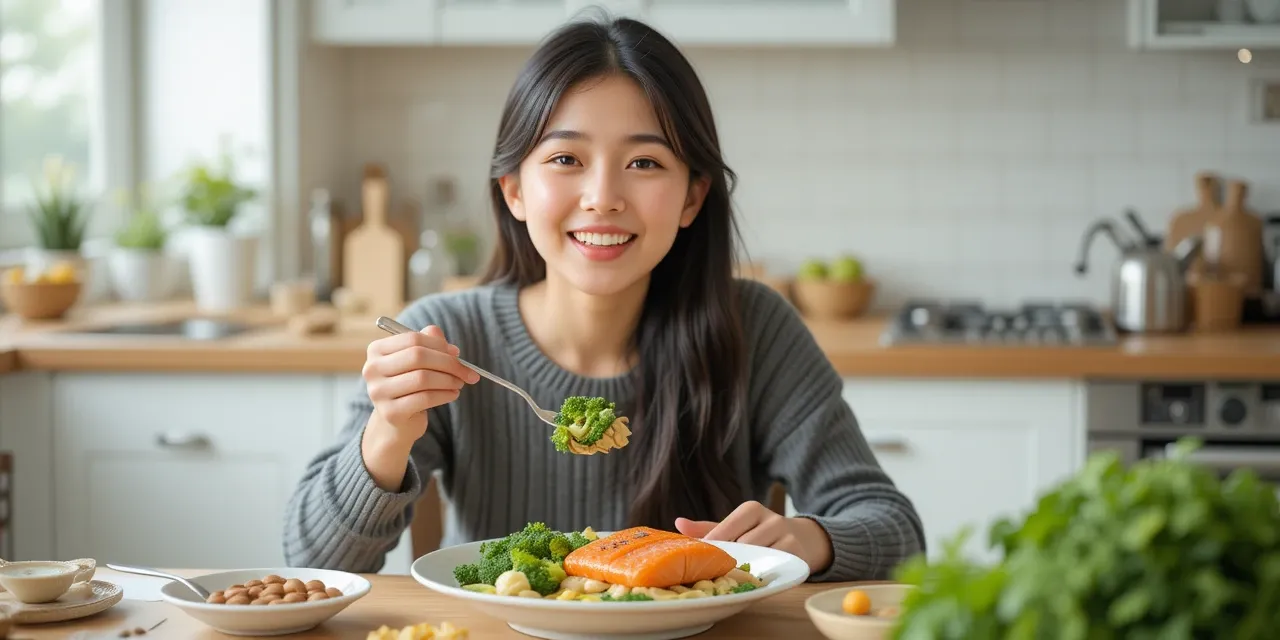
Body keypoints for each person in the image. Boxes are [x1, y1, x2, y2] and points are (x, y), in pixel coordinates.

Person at [283, 14, 924, 583]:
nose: (603, 198)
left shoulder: (755, 328)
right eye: (566, 159)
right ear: (514, 190)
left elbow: (897, 534)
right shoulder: (446, 336)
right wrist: (387, 435)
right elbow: (313, 560)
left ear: (692, 197)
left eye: (644, 163)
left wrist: (811, 539)